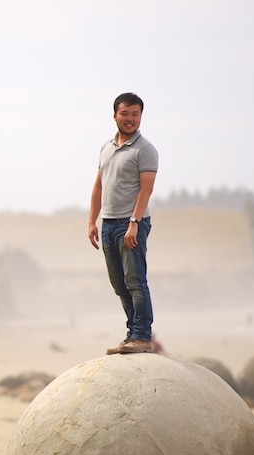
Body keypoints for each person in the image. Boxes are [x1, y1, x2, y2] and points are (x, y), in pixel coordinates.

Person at [87, 92, 159, 355]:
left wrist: (134, 223)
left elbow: (145, 191)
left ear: (141, 116)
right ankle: (132, 333)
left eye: (135, 114)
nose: (130, 119)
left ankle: (142, 335)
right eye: (125, 113)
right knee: (119, 283)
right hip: (108, 223)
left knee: (135, 280)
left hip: (132, 223)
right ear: (115, 115)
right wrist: (92, 221)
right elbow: (98, 186)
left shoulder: (145, 150)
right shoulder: (106, 147)